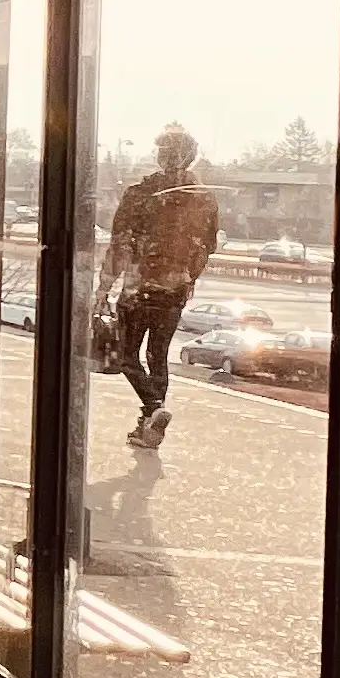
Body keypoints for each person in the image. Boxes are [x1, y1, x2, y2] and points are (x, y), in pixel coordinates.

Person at [98, 125, 220, 451]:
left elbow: (120, 244)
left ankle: (153, 409)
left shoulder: (140, 194)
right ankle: (150, 424)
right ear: (192, 158)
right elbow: (207, 246)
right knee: (158, 356)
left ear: (160, 155)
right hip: (176, 289)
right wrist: (186, 278)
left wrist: (103, 288)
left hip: (139, 288)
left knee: (126, 355)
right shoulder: (204, 200)